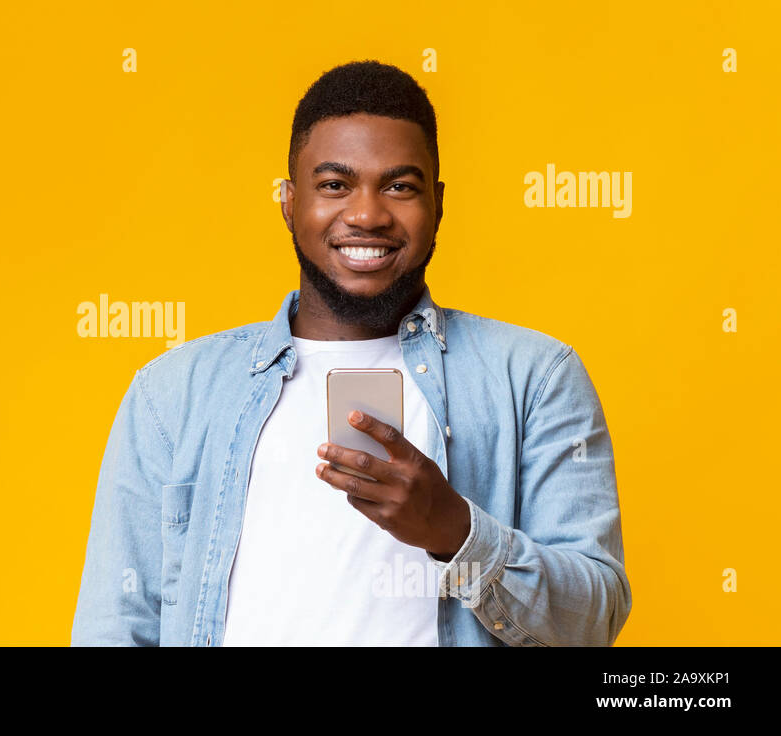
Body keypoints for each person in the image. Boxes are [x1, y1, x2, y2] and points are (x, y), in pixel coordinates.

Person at [71, 60, 632, 646]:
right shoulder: (173, 393)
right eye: (335, 184)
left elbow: (593, 622)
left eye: (399, 186)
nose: (367, 214)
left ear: (437, 203)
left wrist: (454, 530)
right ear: (289, 203)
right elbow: (115, 625)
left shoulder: (536, 378)